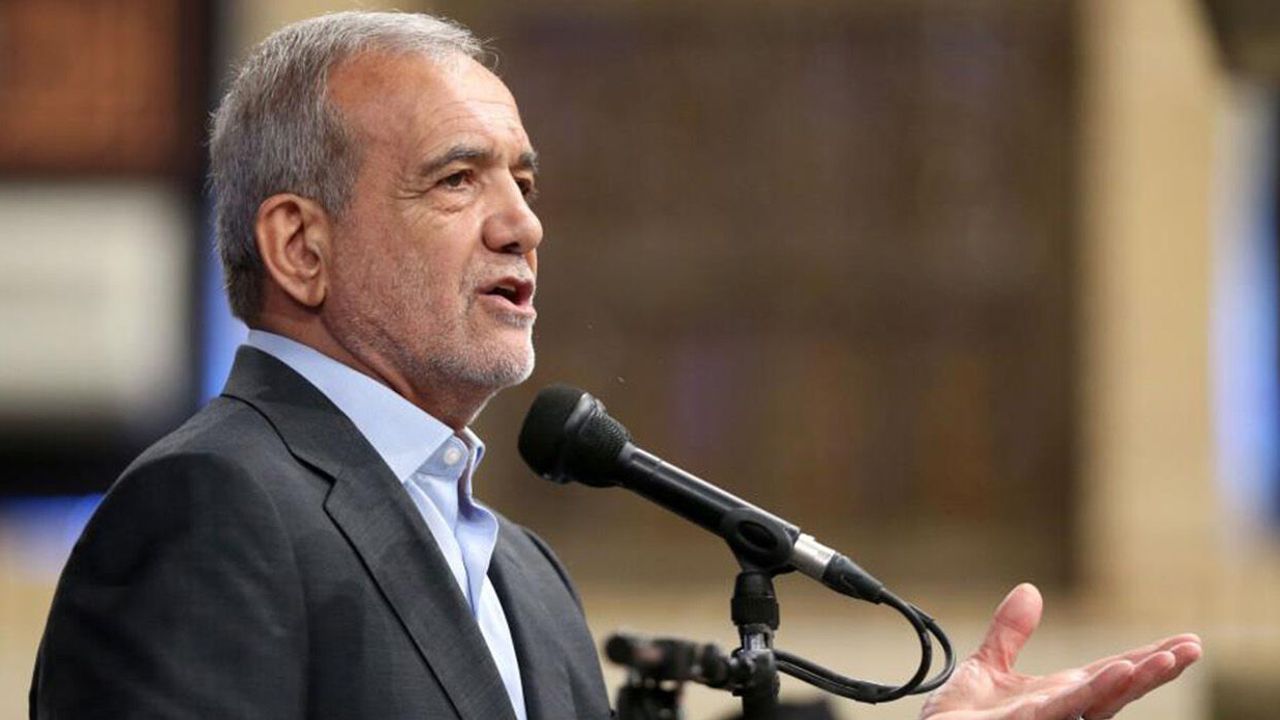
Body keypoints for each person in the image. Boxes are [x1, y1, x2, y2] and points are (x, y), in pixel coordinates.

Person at [30, 10, 1201, 720]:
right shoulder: (211, 509)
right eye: (456, 179)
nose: (521, 224)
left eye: (523, 180)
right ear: (300, 245)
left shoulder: (525, 577)